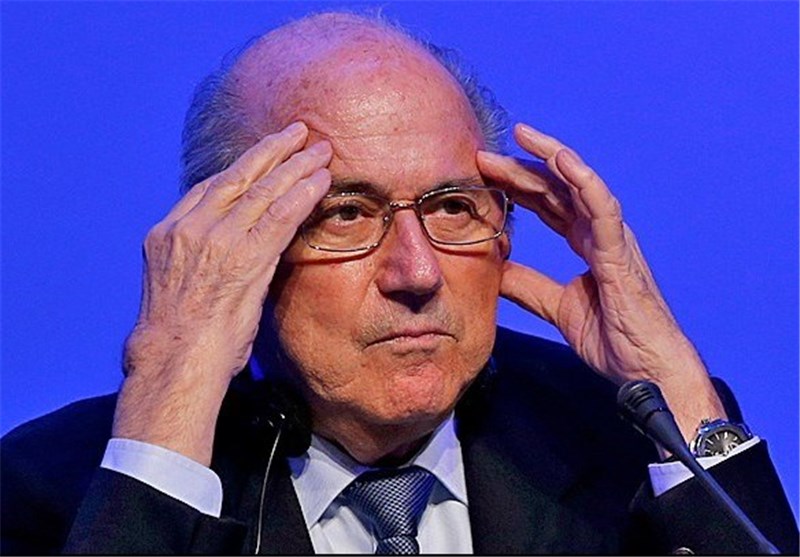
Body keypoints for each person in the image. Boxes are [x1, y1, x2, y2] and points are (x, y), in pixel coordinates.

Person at [1, 11, 796, 555]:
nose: (417, 273)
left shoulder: (627, 442)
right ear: (230, 248)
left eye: (452, 207)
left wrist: (673, 383)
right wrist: (170, 394)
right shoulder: (56, 489)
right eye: (346, 213)